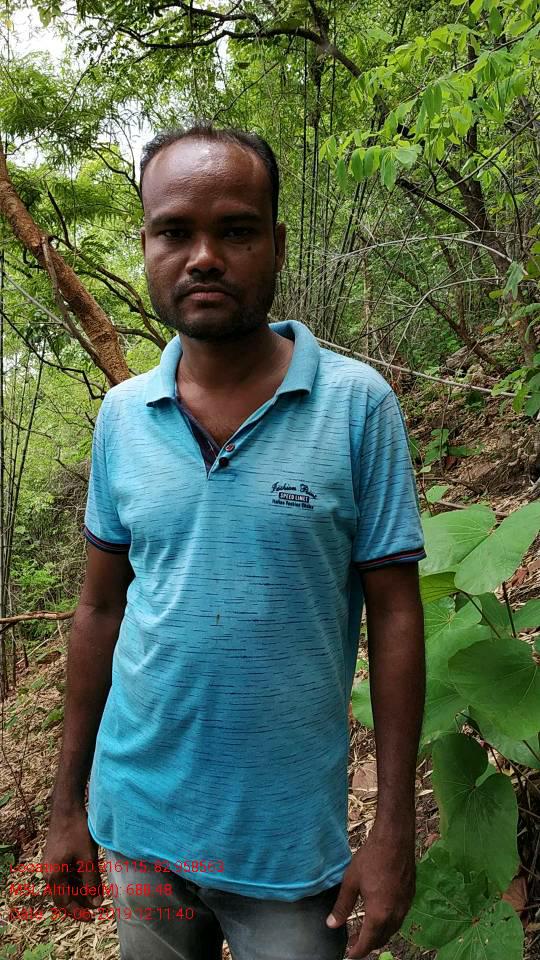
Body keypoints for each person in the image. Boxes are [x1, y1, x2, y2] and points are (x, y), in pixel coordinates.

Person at [43, 123, 426, 960]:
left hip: (285, 844)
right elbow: (101, 610)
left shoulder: (356, 407)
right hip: (140, 825)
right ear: (147, 246)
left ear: (277, 244)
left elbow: (397, 615)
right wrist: (67, 805)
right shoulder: (122, 419)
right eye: (175, 231)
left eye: (237, 230)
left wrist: (393, 828)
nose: (204, 257)